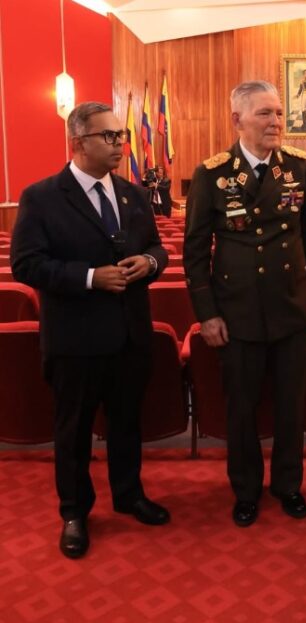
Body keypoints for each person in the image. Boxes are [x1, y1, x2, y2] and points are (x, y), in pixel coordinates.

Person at [11, 102, 171, 559]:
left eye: (121, 135)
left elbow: (157, 247)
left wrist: (150, 263)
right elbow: (26, 264)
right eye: (109, 136)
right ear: (78, 142)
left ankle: (129, 495)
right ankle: (75, 512)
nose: (120, 144)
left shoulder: (133, 194)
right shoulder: (41, 197)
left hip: (130, 335)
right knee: (74, 432)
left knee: (127, 424)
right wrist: (88, 278)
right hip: (75, 340)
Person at [183, 81, 306, 527]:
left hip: (292, 305)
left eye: (279, 113)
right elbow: (195, 252)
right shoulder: (212, 174)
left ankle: (288, 484)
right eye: (265, 113)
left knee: (291, 405)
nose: (276, 122)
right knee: (241, 408)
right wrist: (207, 313)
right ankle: (245, 489)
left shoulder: (297, 166)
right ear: (238, 120)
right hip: (237, 311)